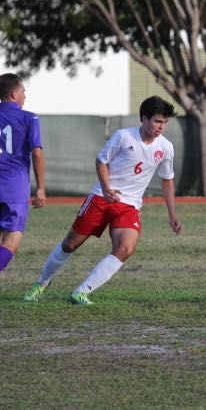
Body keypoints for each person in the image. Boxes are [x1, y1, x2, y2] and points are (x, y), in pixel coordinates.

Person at [23, 96, 182, 304]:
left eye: (165, 122)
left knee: (125, 248)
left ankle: (81, 292)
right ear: (144, 118)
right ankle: (42, 282)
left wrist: (172, 215)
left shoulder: (166, 148)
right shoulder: (124, 136)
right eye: (158, 121)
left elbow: (167, 181)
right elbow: (101, 161)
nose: (161, 127)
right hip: (101, 198)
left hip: (129, 206)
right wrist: (106, 188)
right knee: (70, 245)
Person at [0, 73, 46, 273]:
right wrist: (41, 188)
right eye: (23, 91)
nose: (25, 95)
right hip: (14, 185)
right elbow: (37, 153)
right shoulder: (29, 117)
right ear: (13, 93)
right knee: (11, 238)